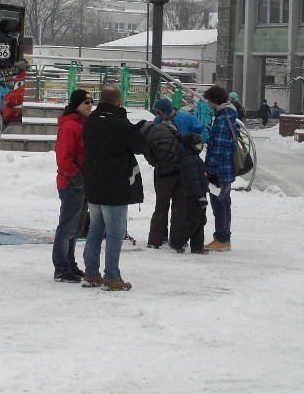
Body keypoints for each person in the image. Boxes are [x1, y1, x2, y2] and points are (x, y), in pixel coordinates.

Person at [81, 87, 147, 291]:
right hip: (115, 187)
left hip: (93, 184)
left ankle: (91, 273)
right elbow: (140, 147)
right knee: (115, 233)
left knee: (95, 231)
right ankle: (111, 276)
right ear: (118, 102)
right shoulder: (120, 124)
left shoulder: (90, 121)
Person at [52, 89, 93, 282]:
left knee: (75, 228)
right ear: (77, 105)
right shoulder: (70, 126)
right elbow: (63, 158)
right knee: (67, 227)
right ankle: (61, 268)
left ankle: (69, 263)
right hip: (72, 183)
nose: (90, 105)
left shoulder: (81, 125)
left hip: (80, 183)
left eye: (91, 102)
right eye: (86, 102)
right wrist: (77, 178)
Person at [137, 117, 182, 249]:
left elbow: (151, 159)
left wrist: (159, 164)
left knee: (161, 206)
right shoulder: (163, 126)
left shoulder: (143, 137)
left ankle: (155, 240)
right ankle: (178, 239)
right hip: (180, 168)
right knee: (178, 206)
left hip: (164, 172)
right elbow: (179, 137)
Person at [203, 84, 237, 251]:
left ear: (215, 100)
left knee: (219, 204)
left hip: (219, 169)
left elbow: (218, 146)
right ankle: (225, 237)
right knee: (225, 203)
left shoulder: (222, 119)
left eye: (209, 101)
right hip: (226, 168)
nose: (208, 104)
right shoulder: (229, 115)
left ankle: (221, 239)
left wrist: (210, 169)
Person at [169, 133, 210, 254]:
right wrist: (200, 196)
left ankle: (197, 246)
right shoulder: (190, 159)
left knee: (200, 220)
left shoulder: (194, 158)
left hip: (199, 194)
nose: (201, 145)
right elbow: (194, 181)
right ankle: (176, 241)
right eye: (198, 143)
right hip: (194, 196)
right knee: (193, 221)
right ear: (191, 145)